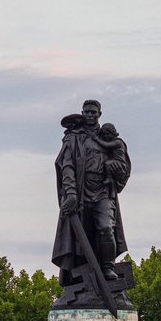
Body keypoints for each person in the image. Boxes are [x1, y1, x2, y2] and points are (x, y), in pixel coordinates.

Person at [52, 100, 130, 286]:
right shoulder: (73, 137)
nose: (89, 115)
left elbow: (123, 166)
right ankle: (82, 279)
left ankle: (108, 267)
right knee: (81, 237)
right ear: (82, 113)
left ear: (99, 114)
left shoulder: (109, 138)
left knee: (106, 228)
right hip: (80, 192)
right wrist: (70, 193)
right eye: (86, 112)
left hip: (103, 190)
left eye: (93, 112)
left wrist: (118, 169)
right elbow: (67, 166)